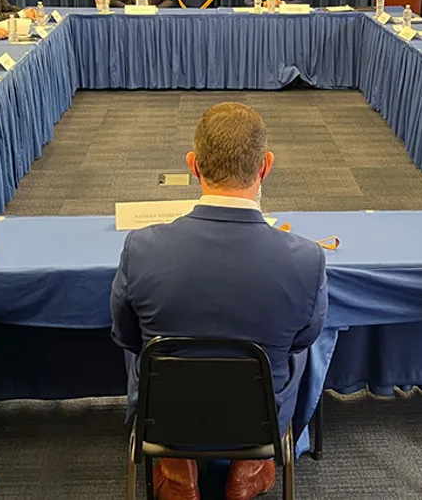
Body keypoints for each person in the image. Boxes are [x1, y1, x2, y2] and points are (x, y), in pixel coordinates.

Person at [110, 102, 328, 500]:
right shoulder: (307, 259)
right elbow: (303, 339)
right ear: (265, 167)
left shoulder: (141, 248)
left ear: (193, 165)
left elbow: (123, 334)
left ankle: (177, 471)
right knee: (293, 354)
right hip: (257, 420)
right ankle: (248, 470)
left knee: (141, 347)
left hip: (166, 417)